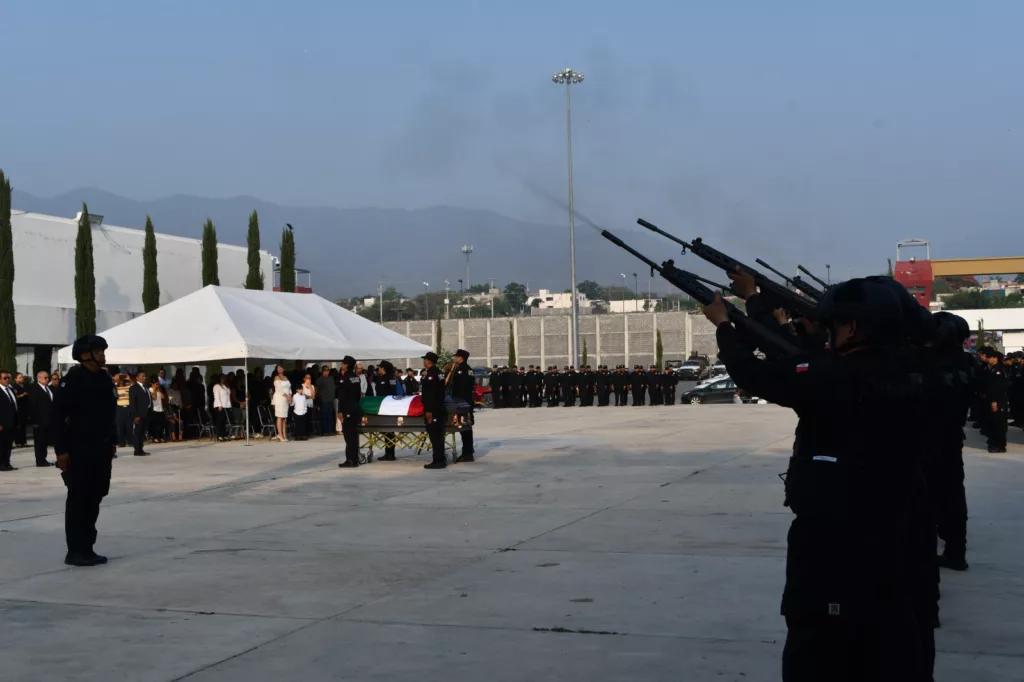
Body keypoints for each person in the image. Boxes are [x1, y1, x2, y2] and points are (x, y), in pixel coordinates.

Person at [704, 279, 924, 681]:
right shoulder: (908, 372)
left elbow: (757, 375)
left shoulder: (833, 376)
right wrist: (755, 304)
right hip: (891, 529)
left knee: (818, 645)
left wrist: (723, 324)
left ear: (853, 327)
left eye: (834, 325)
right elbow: (799, 360)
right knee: (886, 638)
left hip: (833, 540)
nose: (828, 333)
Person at [52, 335, 118, 567]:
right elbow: (57, 418)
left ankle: (87, 547)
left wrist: (113, 442)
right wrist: (61, 451)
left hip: (101, 448)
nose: (102, 353)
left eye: (102, 350)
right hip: (79, 449)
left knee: (96, 495)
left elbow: (110, 414)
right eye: (97, 350)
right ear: (84, 355)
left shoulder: (104, 379)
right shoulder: (73, 381)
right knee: (79, 498)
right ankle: (76, 550)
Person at [420, 351, 447, 469]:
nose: (424, 361)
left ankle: (438, 461)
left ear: (429, 361)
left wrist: (429, 411)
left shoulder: (431, 375)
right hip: (440, 407)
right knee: (439, 435)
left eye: (425, 359)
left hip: (433, 409)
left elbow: (430, 394)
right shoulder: (440, 373)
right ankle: (441, 458)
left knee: (435, 435)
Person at [337, 356, 363, 468]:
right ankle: (355, 459)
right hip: (355, 407)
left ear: (346, 365)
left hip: (347, 409)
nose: (341, 365)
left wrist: (340, 410)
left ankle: (350, 460)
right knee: (354, 435)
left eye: (343, 363)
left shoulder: (345, 378)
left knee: (348, 436)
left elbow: (342, 396)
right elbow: (358, 394)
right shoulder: (357, 378)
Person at [451, 349, 476, 463]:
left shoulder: (461, 370)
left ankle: (467, 453)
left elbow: (459, 388)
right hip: (468, 402)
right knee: (467, 427)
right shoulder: (469, 369)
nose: (455, 359)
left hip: (462, 403)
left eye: (456, 357)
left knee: (463, 428)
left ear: (460, 358)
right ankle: (468, 451)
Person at [28, 370, 56, 466]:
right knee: (39, 442)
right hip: (39, 421)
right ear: (38, 378)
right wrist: (34, 421)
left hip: (49, 420)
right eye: (45, 377)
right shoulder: (34, 389)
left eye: (48, 377)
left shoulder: (48, 388)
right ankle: (40, 460)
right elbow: (32, 406)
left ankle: (44, 459)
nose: (47, 379)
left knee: (45, 441)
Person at [982, 349, 1008, 453]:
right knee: (993, 422)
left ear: (996, 358)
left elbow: (998, 388)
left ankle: (1000, 445)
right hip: (992, 399)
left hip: (998, 400)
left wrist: (994, 401)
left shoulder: (999, 370)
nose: (989, 359)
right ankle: (995, 442)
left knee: (999, 423)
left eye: (991, 357)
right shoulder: (992, 369)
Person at [128, 370, 152, 456]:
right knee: (138, 432)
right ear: (137, 378)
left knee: (142, 432)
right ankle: (137, 450)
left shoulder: (145, 387)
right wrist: (136, 415)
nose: (144, 378)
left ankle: (140, 449)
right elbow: (133, 403)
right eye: (142, 376)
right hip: (139, 414)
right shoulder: (134, 388)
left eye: (144, 376)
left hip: (146, 413)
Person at [0, 370, 19, 471]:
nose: (7, 380)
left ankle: (7, 462)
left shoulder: (10, 389)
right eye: (5, 378)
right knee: (2, 444)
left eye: (8, 378)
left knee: (8, 444)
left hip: (11, 422)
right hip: (2, 423)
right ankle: (1, 464)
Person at [315, 365, 336, 437]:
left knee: (330, 416)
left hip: (331, 400)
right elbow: (316, 390)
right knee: (324, 416)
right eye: (325, 370)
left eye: (328, 370)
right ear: (322, 371)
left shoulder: (331, 378)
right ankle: (324, 431)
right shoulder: (319, 379)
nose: (326, 372)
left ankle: (329, 430)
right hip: (323, 400)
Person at [212, 373, 233, 442]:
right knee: (219, 421)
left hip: (226, 405)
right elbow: (216, 396)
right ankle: (219, 435)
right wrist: (219, 405)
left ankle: (223, 435)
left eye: (224, 378)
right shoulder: (217, 386)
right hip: (219, 406)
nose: (223, 379)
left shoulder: (226, 386)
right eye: (222, 378)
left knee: (224, 421)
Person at [148, 377, 167, 443]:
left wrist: (158, 390)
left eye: (158, 384)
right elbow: (154, 398)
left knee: (162, 423)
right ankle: (154, 437)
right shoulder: (150, 389)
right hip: (154, 409)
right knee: (154, 424)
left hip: (160, 409)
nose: (157, 385)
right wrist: (155, 390)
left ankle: (161, 436)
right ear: (152, 384)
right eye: (156, 384)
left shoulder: (158, 390)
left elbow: (163, 397)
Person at [13, 372, 28, 447]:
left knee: (24, 425)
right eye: (20, 377)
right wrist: (22, 395)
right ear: (16, 379)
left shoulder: (24, 386)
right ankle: (18, 441)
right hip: (18, 409)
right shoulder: (15, 387)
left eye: (22, 377)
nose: (21, 379)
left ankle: (23, 441)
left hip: (24, 409)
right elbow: (15, 397)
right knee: (19, 425)